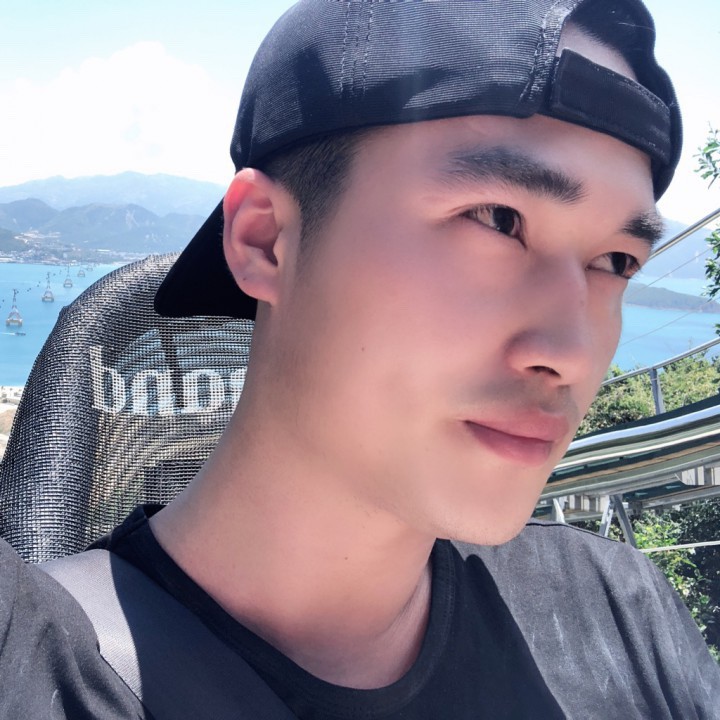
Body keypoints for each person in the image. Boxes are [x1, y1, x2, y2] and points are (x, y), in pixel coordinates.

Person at [2, 0, 720, 717]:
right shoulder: (38, 671)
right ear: (265, 241)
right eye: (498, 220)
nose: (571, 354)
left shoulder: (619, 611)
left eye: (616, 261)